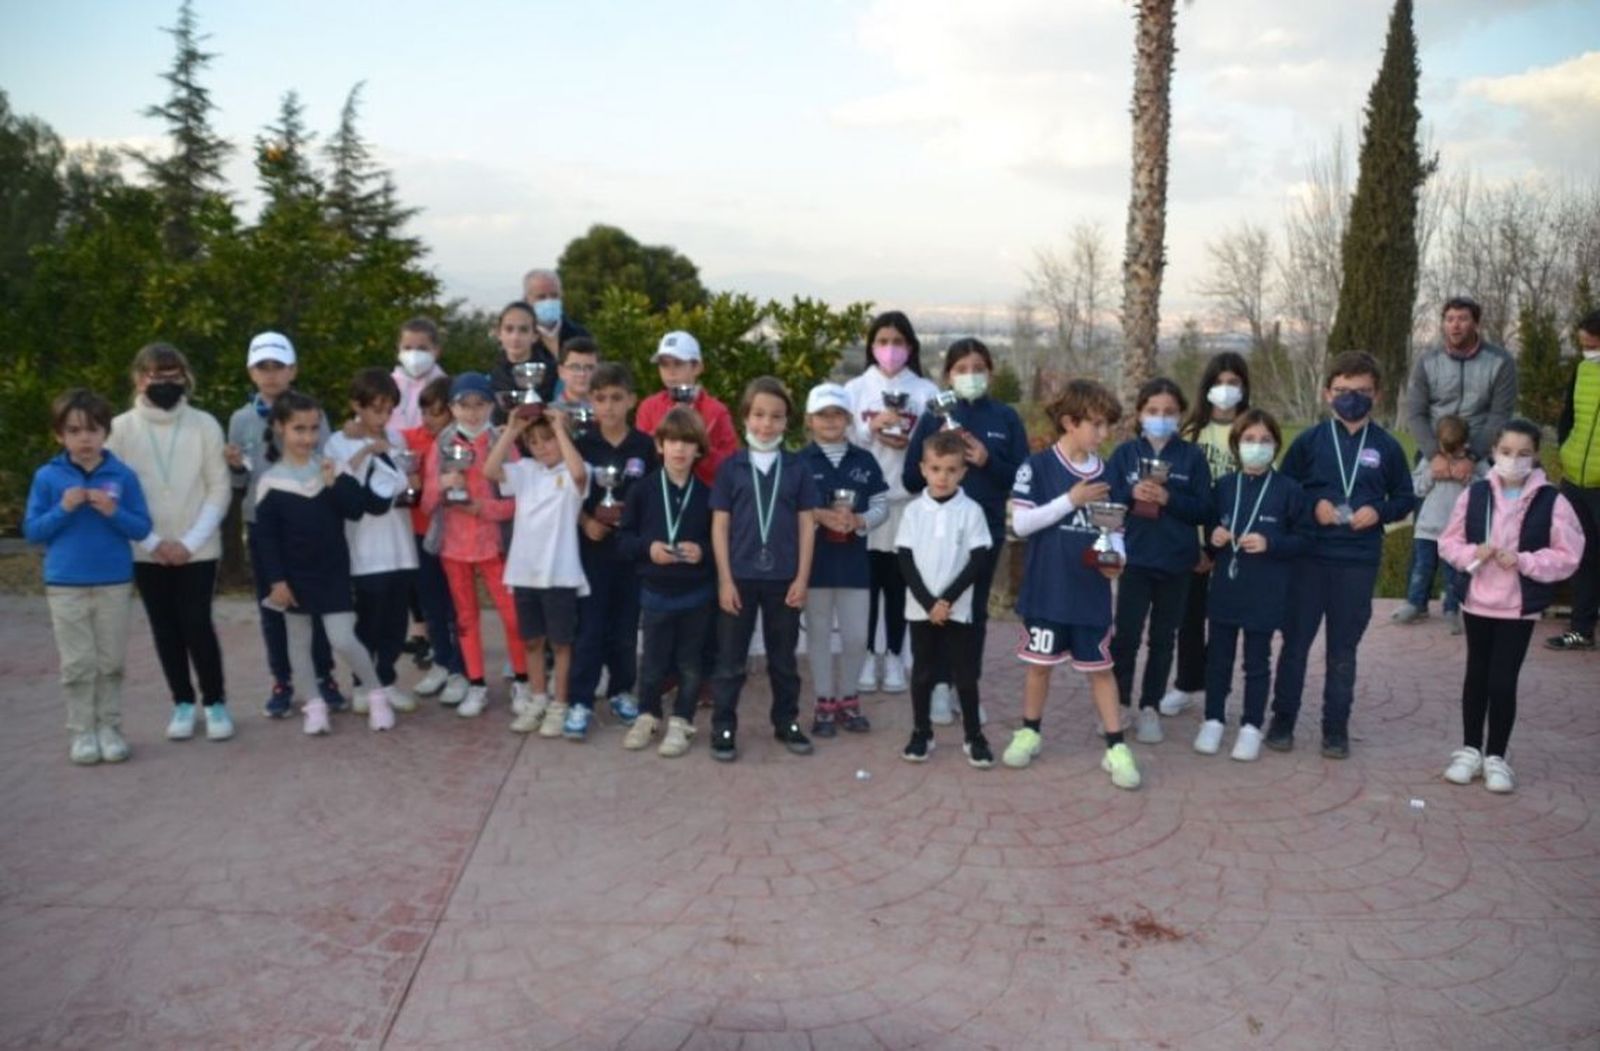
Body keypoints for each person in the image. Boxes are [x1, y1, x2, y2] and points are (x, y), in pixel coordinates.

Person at [1268, 351, 1416, 758]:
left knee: (1343, 650)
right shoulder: (1309, 441)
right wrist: (1312, 504)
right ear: (1327, 393)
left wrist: (1380, 511)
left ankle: (1335, 729)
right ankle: (1282, 721)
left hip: (1357, 561)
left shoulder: (1387, 447)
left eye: (1363, 391)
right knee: (1295, 645)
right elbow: (1283, 489)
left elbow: (1405, 498)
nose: (1353, 398)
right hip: (1309, 558)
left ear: (1378, 395)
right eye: (1343, 390)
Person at [1004, 379, 1139, 789]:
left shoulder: (1108, 473)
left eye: (1107, 425)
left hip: (1090, 595)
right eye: (1096, 424)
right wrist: (1070, 501)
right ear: (1069, 422)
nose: (1103, 433)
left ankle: (1116, 747)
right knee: (1039, 667)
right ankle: (1029, 732)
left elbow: (1114, 532)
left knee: (1101, 670)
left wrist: (1117, 560)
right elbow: (1021, 524)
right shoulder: (1037, 467)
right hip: (1046, 590)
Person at [1439, 419, 1584, 792]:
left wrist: (1525, 561)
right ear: (1493, 452)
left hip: (1518, 607)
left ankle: (1496, 757)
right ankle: (1470, 750)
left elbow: (1569, 554)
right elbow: (1448, 542)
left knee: (1503, 681)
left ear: (1535, 457)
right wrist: (1472, 553)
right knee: (1476, 677)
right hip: (1477, 602)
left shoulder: (1552, 501)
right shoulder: (1475, 494)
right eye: (1505, 452)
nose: (1513, 460)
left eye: (1523, 454)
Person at [106, 343, 233, 744]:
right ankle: (182, 702)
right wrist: (152, 542)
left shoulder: (205, 424)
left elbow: (219, 488)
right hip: (145, 549)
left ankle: (215, 702)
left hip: (199, 548)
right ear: (138, 379)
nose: (165, 382)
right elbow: (112, 494)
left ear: (185, 377)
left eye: (173, 375)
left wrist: (190, 543)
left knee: (197, 624)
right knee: (165, 628)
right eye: (155, 375)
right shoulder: (118, 429)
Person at [903, 337, 1028, 725]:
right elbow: (910, 478)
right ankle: (939, 686)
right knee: (937, 606)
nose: (970, 375)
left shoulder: (1005, 418)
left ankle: (965, 685)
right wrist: (941, 461)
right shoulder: (934, 416)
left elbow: (1023, 478)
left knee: (972, 611)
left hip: (983, 531)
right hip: (934, 534)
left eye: (978, 369)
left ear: (990, 372)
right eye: (961, 370)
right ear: (947, 376)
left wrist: (987, 461)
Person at [25, 389, 152, 765]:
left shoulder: (122, 475)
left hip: (113, 581)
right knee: (78, 664)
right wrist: (63, 508)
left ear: (105, 433)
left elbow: (141, 527)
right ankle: (82, 732)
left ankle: (110, 728)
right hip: (65, 583)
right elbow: (33, 531)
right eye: (74, 431)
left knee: (111, 661)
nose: (85, 439)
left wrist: (113, 511)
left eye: (93, 430)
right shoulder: (47, 477)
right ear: (59, 435)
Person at [252, 392, 389, 734]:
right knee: (298, 644)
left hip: (332, 571)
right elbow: (266, 539)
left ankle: (376, 694)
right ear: (280, 427)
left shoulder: (332, 468)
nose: (308, 438)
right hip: (293, 577)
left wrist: (332, 485)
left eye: (314, 429)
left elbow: (355, 509)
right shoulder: (270, 482)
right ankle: (314, 706)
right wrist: (277, 581)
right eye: (299, 429)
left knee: (342, 638)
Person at [226, 332, 343, 717]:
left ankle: (324, 677)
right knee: (275, 608)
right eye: (263, 367)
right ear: (251, 372)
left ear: (292, 370)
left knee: (317, 608)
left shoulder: (312, 413)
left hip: (307, 525)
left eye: (278, 367)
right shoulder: (241, 419)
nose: (271, 374)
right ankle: (282, 680)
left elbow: (325, 462)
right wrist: (233, 467)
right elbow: (239, 481)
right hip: (263, 526)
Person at [708, 377, 820, 761]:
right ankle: (723, 725)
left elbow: (807, 525)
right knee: (730, 661)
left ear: (787, 421)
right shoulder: (731, 467)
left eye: (775, 416)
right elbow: (719, 526)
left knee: (784, 660)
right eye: (758, 415)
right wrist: (724, 580)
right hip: (739, 577)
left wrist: (802, 578)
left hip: (784, 578)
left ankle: (786, 721)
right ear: (745, 417)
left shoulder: (797, 468)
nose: (766, 424)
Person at [1198, 409, 1311, 760]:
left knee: (1256, 661)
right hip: (1225, 589)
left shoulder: (1289, 490)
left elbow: (1304, 539)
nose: (1257, 446)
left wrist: (1270, 543)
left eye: (1264, 440)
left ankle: (1251, 726)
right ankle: (1213, 719)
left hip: (1266, 590)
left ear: (1276, 445)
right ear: (1236, 444)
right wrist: (1214, 536)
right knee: (1218, 659)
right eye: (1249, 439)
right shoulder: (1223, 486)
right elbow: (1211, 529)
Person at [419, 372, 531, 718]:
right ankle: (476, 683)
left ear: (491, 406)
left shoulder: (503, 442)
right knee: (465, 618)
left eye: (479, 404)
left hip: (495, 545)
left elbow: (520, 500)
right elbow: (426, 503)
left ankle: (522, 680)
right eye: (463, 405)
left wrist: (484, 508)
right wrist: (443, 483)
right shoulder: (441, 444)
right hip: (453, 545)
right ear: (452, 408)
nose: (471, 412)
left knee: (512, 616)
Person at [1106, 377, 1211, 744]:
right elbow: (1107, 503)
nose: (1161, 417)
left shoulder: (1192, 457)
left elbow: (1204, 508)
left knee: (1164, 639)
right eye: (1153, 411)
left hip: (1176, 563)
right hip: (1134, 560)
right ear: (1140, 414)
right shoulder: (1124, 455)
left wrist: (1170, 499)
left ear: (1180, 415)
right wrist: (1130, 493)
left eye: (1169, 411)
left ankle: (1150, 706)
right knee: (1126, 637)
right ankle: (1119, 703)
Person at [845, 311, 940, 696]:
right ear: (871, 346)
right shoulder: (854, 389)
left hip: (909, 502)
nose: (890, 349)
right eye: (883, 341)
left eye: (898, 342)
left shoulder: (926, 391)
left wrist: (909, 440)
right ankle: (870, 653)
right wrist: (872, 428)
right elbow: (843, 440)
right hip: (867, 502)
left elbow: (938, 443)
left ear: (911, 347)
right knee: (868, 585)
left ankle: (897, 654)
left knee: (900, 584)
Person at [616, 408, 716, 757]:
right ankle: (647, 715)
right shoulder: (641, 491)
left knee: (690, 663)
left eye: (688, 442)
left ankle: (682, 721)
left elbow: (720, 543)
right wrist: (649, 548)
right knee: (653, 663)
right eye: (672, 441)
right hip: (655, 593)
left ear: (699, 449)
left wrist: (702, 551)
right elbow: (624, 540)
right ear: (659, 445)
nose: (680, 449)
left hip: (696, 594)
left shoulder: (707, 495)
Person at [484, 408, 590, 737]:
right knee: (531, 641)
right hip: (524, 573)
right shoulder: (525, 470)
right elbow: (490, 470)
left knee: (561, 643)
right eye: (534, 442)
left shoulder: (575, 468)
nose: (542, 447)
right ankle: (538, 698)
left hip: (559, 573)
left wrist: (559, 428)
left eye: (548, 440)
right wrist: (511, 431)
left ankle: (560, 704)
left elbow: (579, 475)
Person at [324, 368, 420, 715]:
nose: (383, 417)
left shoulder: (397, 438)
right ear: (357, 405)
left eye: (389, 409)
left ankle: (387, 680)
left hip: (401, 547)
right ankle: (363, 683)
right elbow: (341, 484)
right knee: (368, 622)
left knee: (396, 621)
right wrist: (367, 450)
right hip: (364, 550)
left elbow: (406, 480)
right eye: (376, 409)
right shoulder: (339, 441)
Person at [896, 430, 995, 767]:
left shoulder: (971, 511)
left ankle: (974, 736)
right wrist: (928, 603)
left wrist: (946, 601)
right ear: (923, 469)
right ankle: (921, 732)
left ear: (963, 472)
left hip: (958, 609)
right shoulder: (913, 511)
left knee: (964, 676)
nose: (943, 477)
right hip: (921, 609)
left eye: (951, 470)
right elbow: (905, 559)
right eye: (936, 469)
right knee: (922, 673)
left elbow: (978, 560)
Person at [1162, 352, 1250, 717]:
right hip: (1194, 540)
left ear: (1244, 387)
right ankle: (1185, 683)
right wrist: (1196, 545)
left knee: (1225, 621)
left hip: (1235, 540)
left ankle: (1218, 686)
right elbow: (1176, 492)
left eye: (1233, 383)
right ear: (1207, 387)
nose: (1225, 389)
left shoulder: (1251, 431)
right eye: (1219, 383)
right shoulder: (1190, 433)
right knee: (1189, 618)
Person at [571, 362, 657, 734]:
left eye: (616, 398)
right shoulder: (581, 445)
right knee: (589, 628)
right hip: (591, 550)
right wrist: (585, 521)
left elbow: (653, 498)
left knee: (624, 629)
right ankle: (580, 699)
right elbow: (564, 493)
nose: (608, 406)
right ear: (591, 401)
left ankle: (622, 691)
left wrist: (632, 524)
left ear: (631, 401)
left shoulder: (645, 446)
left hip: (629, 553)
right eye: (601, 398)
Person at [800, 382, 888, 737]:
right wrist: (818, 515)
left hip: (854, 564)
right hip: (814, 565)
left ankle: (850, 699)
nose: (830, 420)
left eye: (838, 414)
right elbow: (791, 508)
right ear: (809, 420)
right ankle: (824, 702)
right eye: (822, 414)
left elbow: (880, 504)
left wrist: (860, 520)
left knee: (855, 637)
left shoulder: (864, 460)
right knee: (819, 636)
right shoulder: (798, 462)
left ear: (849, 419)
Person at [1392, 414, 1482, 632]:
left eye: (1456, 451)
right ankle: (1415, 603)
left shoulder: (1475, 464)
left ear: (1465, 444)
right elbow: (1415, 487)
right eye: (1445, 450)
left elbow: (1487, 490)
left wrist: (1468, 478)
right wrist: (1431, 475)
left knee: (1454, 573)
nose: (1450, 456)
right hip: (1428, 529)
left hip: (1457, 532)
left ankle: (1452, 609)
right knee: (1422, 568)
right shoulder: (1429, 460)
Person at [1404, 296, 1518, 462]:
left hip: (1482, 452)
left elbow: (1500, 415)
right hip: (1435, 450)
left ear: (1476, 324)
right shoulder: (1426, 362)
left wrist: (1472, 456)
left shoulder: (1501, 362)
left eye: (1463, 319)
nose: (1455, 325)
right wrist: (1434, 454)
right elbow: (1416, 413)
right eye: (1449, 319)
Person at [1548, 309, 1600, 652]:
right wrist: (1565, 449)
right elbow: (1568, 416)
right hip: (1575, 480)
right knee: (1582, 556)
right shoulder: (1582, 369)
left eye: (1593, 345)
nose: (1587, 351)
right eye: (1583, 345)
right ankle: (1581, 631)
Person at [635, 330, 739, 488]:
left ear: (697, 367)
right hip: (658, 491)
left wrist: (699, 449)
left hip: (704, 494)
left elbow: (730, 465)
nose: (670, 371)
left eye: (678, 363)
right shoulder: (649, 407)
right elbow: (641, 455)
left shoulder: (716, 411)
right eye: (664, 364)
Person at [520, 268, 592, 403]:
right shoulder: (520, 341)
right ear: (526, 300)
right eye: (541, 297)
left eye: (554, 296)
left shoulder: (580, 335)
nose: (549, 301)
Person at [487, 301, 543, 424]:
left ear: (535, 335)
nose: (515, 337)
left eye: (523, 330)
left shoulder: (554, 376)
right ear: (499, 334)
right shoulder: (489, 381)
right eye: (509, 329)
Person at [391, 316, 447, 432]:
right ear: (398, 350)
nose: (414, 354)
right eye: (407, 348)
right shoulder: (386, 385)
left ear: (437, 350)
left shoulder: (447, 389)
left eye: (422, 348)